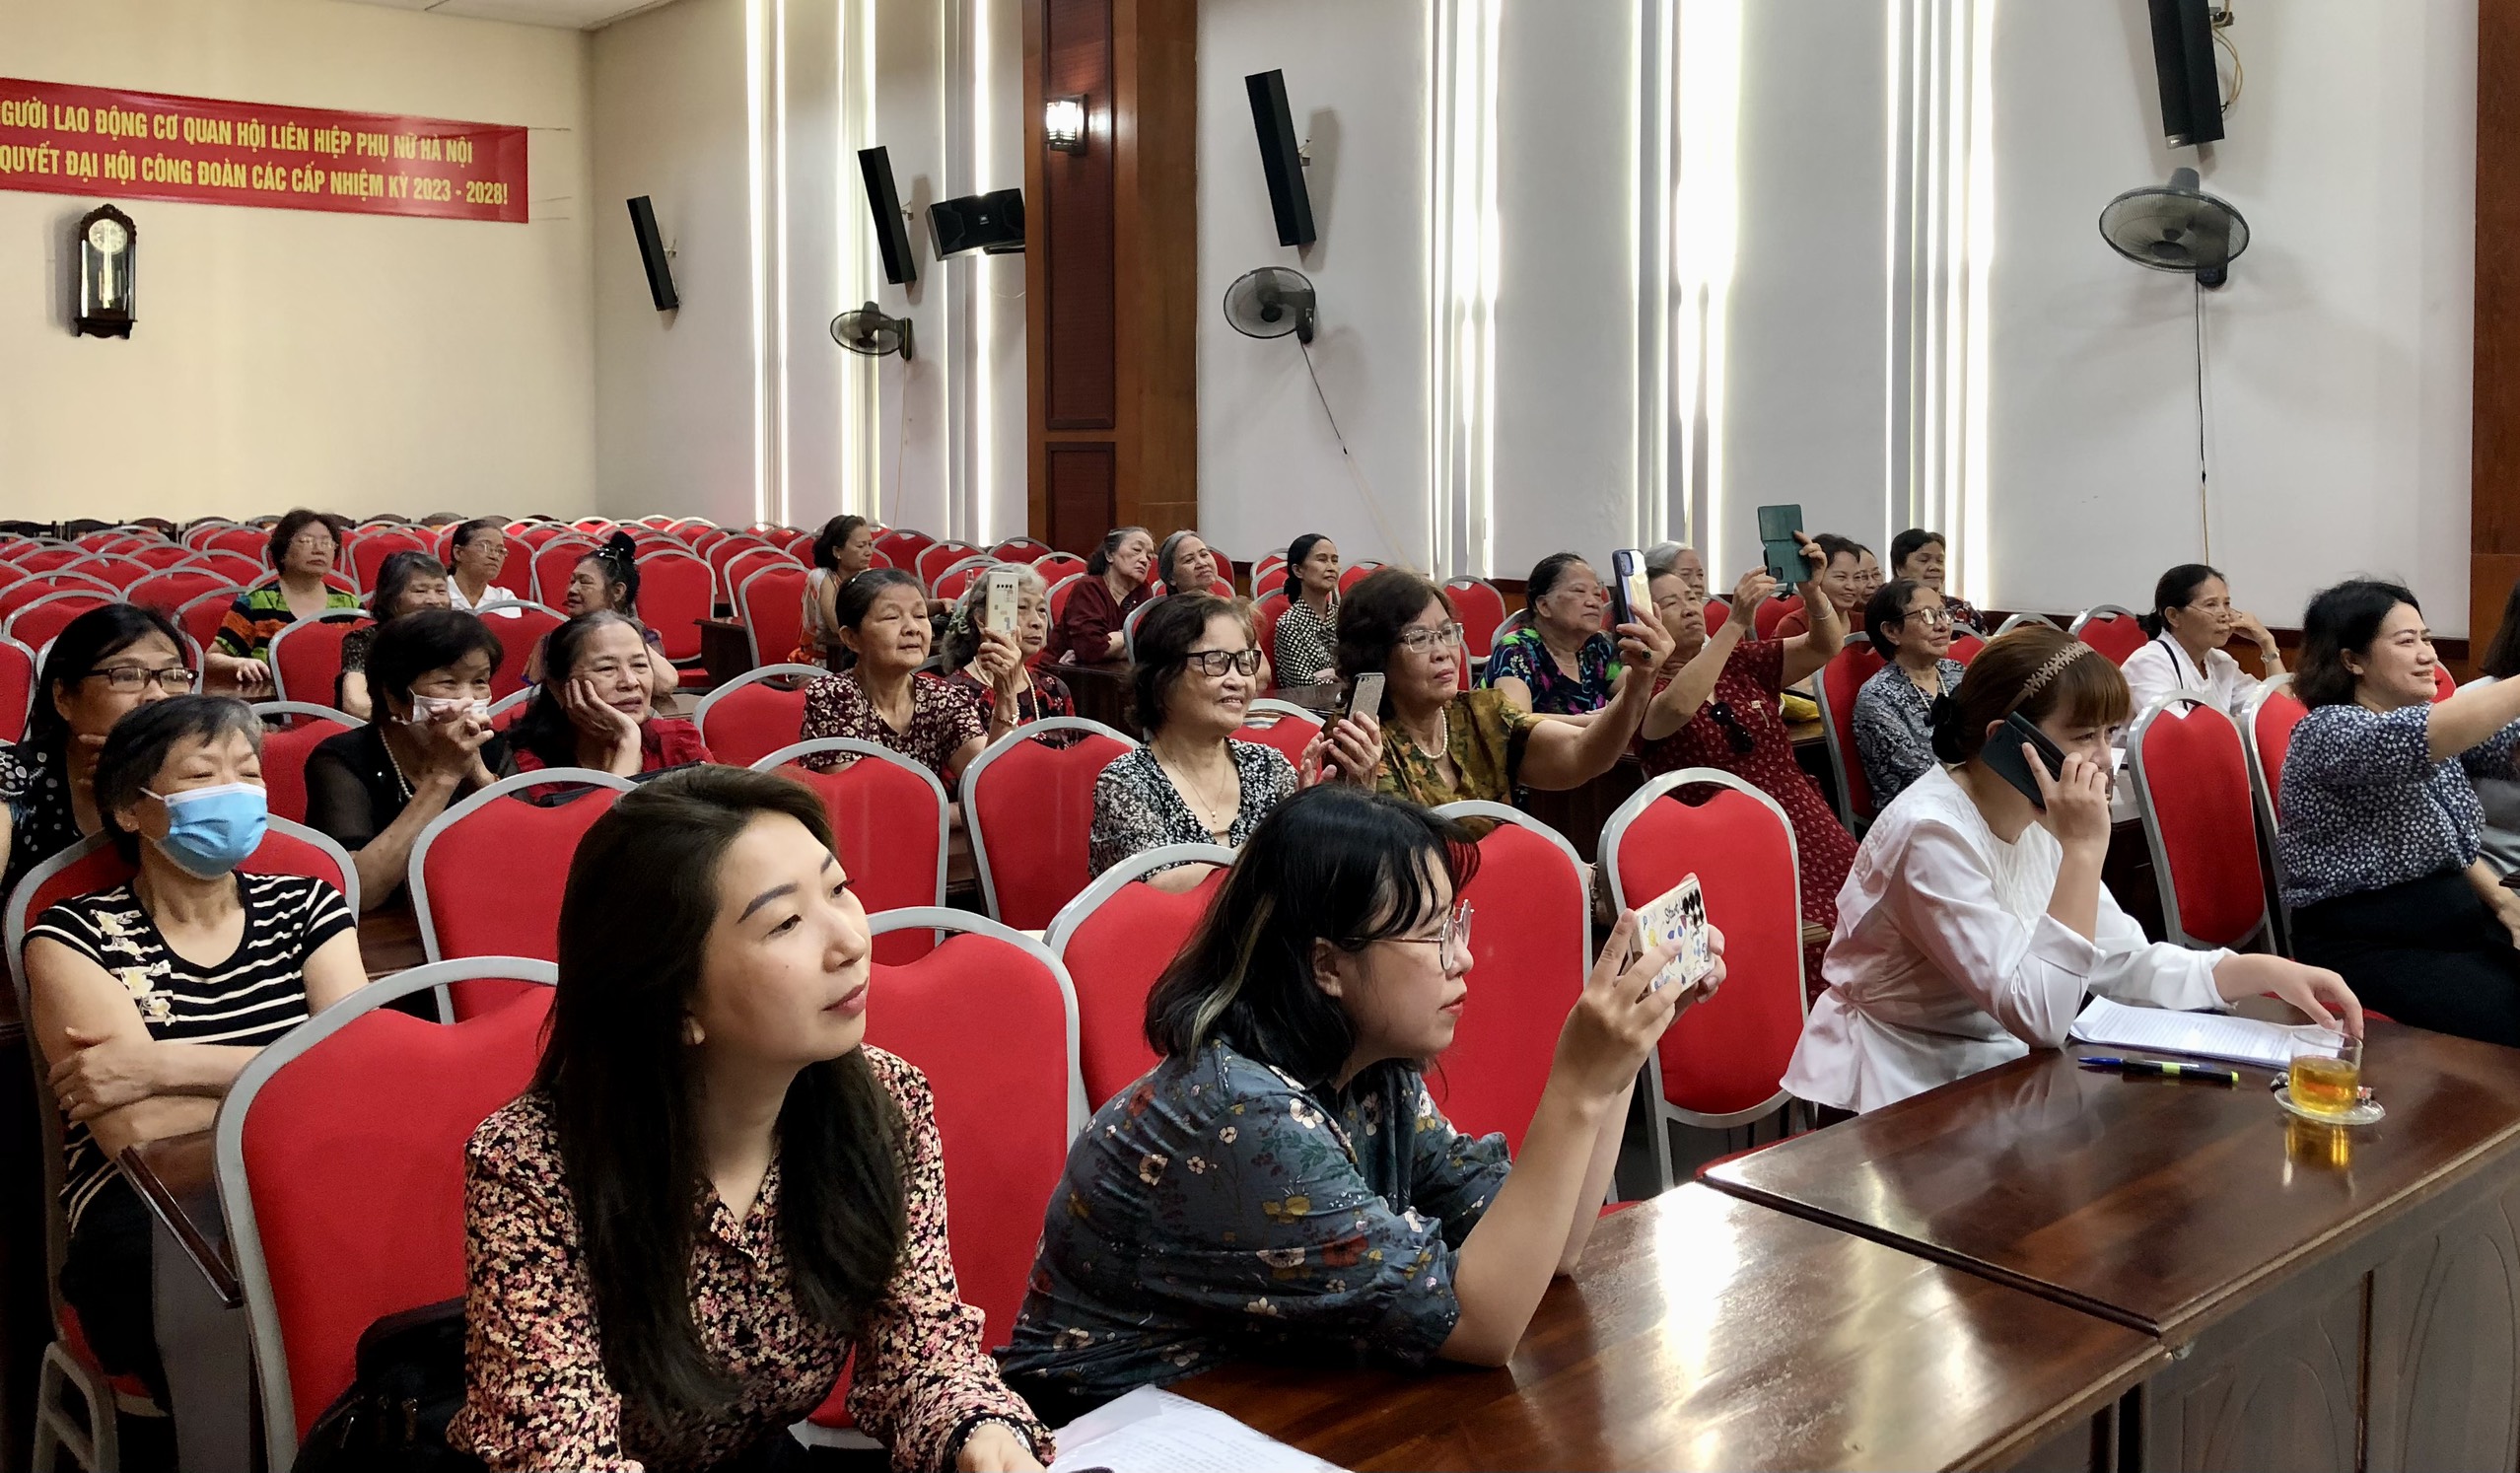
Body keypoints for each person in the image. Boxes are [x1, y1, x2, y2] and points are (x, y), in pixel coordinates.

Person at [1000, 786, 1716, 1420]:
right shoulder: (1240, 1117)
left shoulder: (1368, 1068)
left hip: (1268, 1407)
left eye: (1455, 924)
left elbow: (1549, 1249)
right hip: (1111, 1437)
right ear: (1327, 965)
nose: (1462, 958)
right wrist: (1576, 1084)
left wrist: (1622, 1054)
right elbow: (1480, 1324)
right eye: (1431, 934)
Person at [445, 766, 1050, 1472]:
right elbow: (560, 1457)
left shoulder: (885, 1103)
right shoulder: (531, 1165)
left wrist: (981, 1435)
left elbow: (923, 1352)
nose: (851, 943)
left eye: (839, 889)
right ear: (672, 1001)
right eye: (785, 922)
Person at [1784, 627, 2360, 1114]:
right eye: (2084, 736)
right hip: (1897, 1090)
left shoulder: (2041, 811)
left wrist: (2255, 970)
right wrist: (2083, 852)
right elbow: (2038, 1015)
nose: (2105, 759)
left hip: (1998, 1073)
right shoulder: (1931, 832)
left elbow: (2119, 961)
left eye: (2110, 734)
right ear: (2007, 742)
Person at [26, 697, 365, 1438]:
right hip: (149, 1210)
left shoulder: (309, 905)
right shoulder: (71, 934)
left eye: (248, 773)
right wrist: (300, 1082)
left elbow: (358, 1070)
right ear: (130, 808)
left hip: (313, 1171)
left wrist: (168, 1063)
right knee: (259, 1304)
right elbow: (143, 1135)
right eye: (201, 775)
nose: (233, 793)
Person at [2278, 580, 2520, 1045]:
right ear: (2352, 660)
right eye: (2407, 642)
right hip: (2370, 945)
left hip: (2453, 928)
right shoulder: (2328, 733)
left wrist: (2505, 903)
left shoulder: (2416, 724)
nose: (2428, 654)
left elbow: (2500, 745)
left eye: (2427, 638)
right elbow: (2417, 739)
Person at [1640, 537, 1855, 970]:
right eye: (1671, 603)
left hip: (1800, 816)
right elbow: (1677, 708)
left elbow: (1825, 645)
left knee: (1866, 914)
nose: (1689, 608)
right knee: (1798, 942)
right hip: (1721, 839)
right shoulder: (1641, 687)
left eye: (1692, 598)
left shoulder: (1741, 661)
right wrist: (1736, 621)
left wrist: (1812, 591)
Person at [1089, 595, 1374, 888]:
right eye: (1216, 662)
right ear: (1160, 677)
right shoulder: (1126, 780)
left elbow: (1315, 878)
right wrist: (1285, 838)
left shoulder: (1268, 766)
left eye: (1244, 662)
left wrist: (1350, 801)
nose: (1238, 680)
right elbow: (1156, 888)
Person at [1340, 568, 1670, 807]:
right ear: (1376, 654)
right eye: (1420, 638)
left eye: (1447, 633)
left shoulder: (1481, 714)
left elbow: (1580, 754)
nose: (1443, 652)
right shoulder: (1359, 741)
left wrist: (1640, 681)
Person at [306, 610, 517, 911]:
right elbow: (359, 892)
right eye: (448, 681)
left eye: (479, 681)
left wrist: (478, 773)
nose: (467, 699)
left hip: (479, 913)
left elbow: (528, 858)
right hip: (380, 927)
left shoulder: (492, 745)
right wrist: (444, 775)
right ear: (393, 697)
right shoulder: (340, 759)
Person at [0, 605, 192, 901]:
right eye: (126, 675)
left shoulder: (203, 779)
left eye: (174, 675)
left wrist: (148, 795)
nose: (158, 694)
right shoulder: (10, 779)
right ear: (63, 697)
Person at [800, 569, 1023, 783]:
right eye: (892, 617)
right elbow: (856, 797)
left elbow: (988, 778)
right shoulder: (833, 696)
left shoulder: (942, 696)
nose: (913, 628)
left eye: (920, 615)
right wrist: (946, 806)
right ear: (851, 638)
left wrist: (1006, 694)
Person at [510, 610, 712, 778]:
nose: (630, 682)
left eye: (640, 665)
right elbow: (609, 816)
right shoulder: (532, 764)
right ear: (558, 689)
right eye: (606, 668)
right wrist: (628, 742)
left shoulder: (678, 743)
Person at [205, 508, 362, 691]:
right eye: (307, 541)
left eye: (327, 543)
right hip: (271, 701)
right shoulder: (257, 602)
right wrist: (239, 662)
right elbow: (211, 659)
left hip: (340, 699)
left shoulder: (350, 606)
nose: (319, 549)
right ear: (282, 551)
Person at [1852, 579, 1965, 809]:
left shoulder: (1957, 672)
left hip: (1978, 798)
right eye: (1927, 615)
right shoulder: (1878, 697)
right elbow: (1920, 779)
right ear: (1892, 631)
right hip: (1921, 812)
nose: (1942, 626)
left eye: (1943, 614)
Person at [2121, 562, 2284, 720]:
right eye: (2211, 605)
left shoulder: (2221, 662)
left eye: (2226, 603)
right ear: (2173, 616)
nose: (2224, 614)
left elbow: (2279, 709)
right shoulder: (2148, 664)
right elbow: (2175, 732)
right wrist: (2240, 723)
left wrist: (2267, 643)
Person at [534, 532, 678, 703]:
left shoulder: (642, 637)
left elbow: (666, 684)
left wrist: (618, 627)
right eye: (572, 581)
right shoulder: (559, 640)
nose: (572, 590)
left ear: (617, 591)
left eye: (584, 582)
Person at [1483, 553, 1617, 717]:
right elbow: (1517, 722)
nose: (1594, 602)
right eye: (1579, 591)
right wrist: (1596, 721)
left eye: (1597, 594)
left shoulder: (1598, 647)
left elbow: (1636, 694)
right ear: (1544, 605)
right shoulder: (1516, 649)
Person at [940, 566, 1075, 727]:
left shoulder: (1054, 689)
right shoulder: (954, 694)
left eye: (1041, 609)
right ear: (982, 619)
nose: (1037, 622)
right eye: (1022, 607)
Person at [336, 550, 453, 719]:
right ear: (392, 597)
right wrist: (423, 716)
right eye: (420, 591)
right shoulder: (366, 640)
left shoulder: (455, 640)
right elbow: (356, 704)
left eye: (441, 591)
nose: (434, 600)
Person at [1047, 526, 1155, 666]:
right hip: (1064, 672)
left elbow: (1150, 648)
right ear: (1109, 554)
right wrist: (1129, 636)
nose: (1144, 560)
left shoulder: (1143, 592)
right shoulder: (1088, 588)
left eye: (1149, 556)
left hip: (1117, 672)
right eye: (1136, 550)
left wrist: (1114, 642)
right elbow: (1091, 648)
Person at [799, 514, 876, 670]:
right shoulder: (821, 577)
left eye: (870, 545)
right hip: (821, 663)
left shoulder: (868, 576)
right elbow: (837, 626)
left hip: (858, 657)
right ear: (837, 551)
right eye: (861, 546)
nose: (868, 552)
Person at [1271, 533, 1342, 686]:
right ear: (1298, 570)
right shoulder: (1289, 624)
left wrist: (1334, 675)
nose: (1331, 567)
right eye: (1322, 560)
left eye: (1335, 560)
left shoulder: (1343, 616)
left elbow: (1358, 671)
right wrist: (1341, 678)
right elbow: (1303, 685)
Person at [1772, 533, 1870, 639]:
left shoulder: (1867, 624)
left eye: (1857, 577)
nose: (1851, 586)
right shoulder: (1794, 626)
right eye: (1841, 577)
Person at [1890, 527, 1981, 630]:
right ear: (1899, 568)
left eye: (1940, 561)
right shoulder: (1886, 609)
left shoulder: (1961, 609)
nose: (1935, 567)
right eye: (1924, 560)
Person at [446, 518, 522, 617]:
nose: (494, 556)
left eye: (500, 550)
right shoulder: (436, 595)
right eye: (484, 547)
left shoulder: (505, 599)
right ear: (458, 553)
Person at [1155, 529, 1223, 596]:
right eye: (1189, 560)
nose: (1202, 563)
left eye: (1204, 554)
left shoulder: (1222, 601)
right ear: (1171, 578)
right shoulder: (1163, 604)